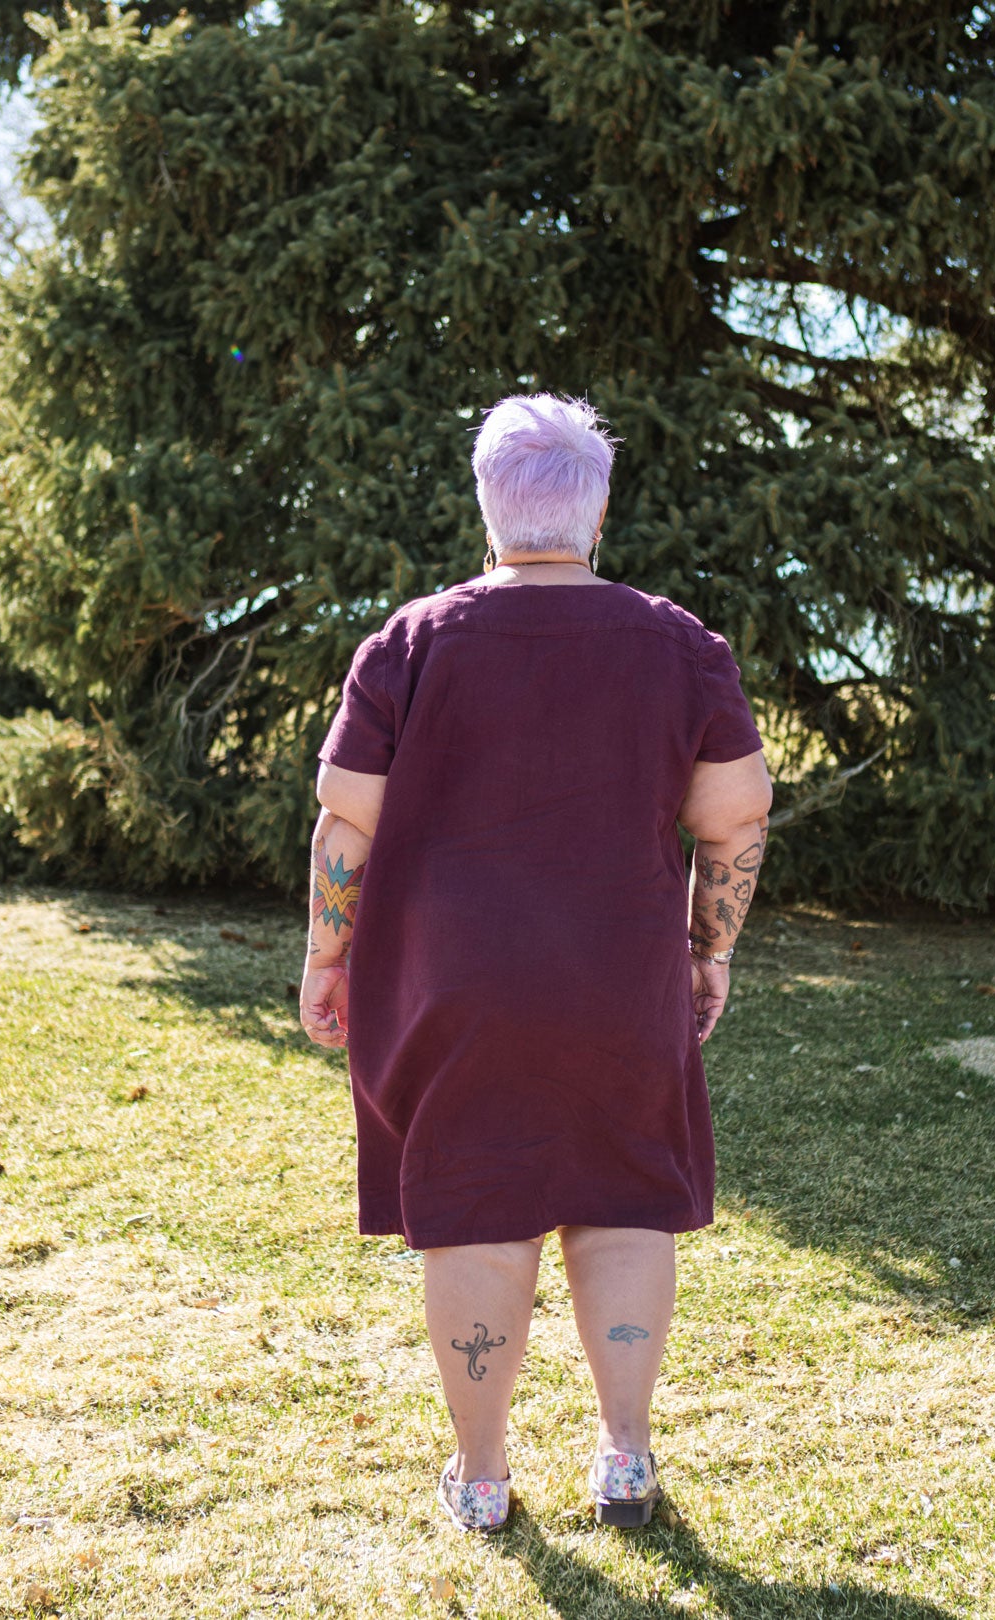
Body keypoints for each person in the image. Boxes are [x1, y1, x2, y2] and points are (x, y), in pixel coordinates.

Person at [299, 394, 772, 1533]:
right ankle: (622, 1459)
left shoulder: (409, 642)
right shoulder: (678, 643)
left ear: (488, 506)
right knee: (621, 1205)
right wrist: (707, 954)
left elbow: (343, 830)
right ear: (596, 509)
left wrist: (326, 958)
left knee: (474, 1213)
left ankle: (483, 1477)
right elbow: (735, 819)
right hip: (619, 980)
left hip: (449, 986)